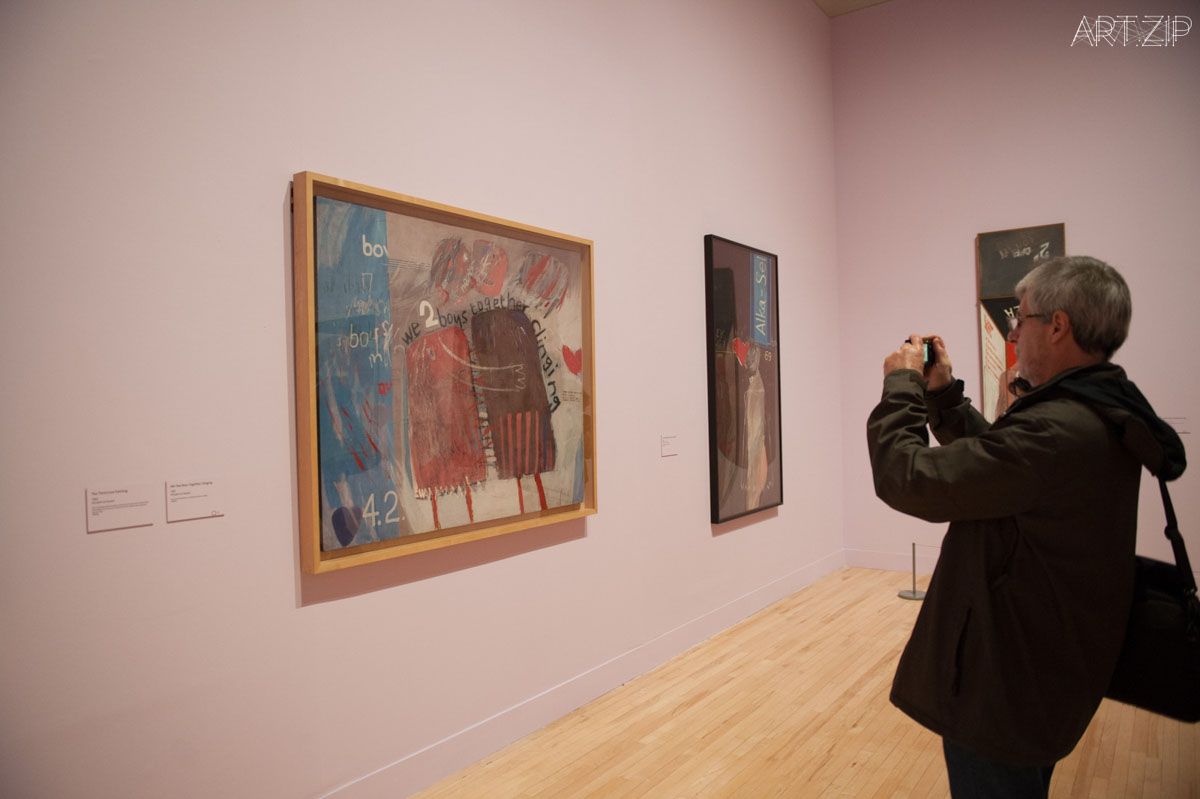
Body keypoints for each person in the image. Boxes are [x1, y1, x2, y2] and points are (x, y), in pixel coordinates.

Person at [866, 256, 1186, 798]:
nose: (1013, 332)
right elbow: (1003, 469)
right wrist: (944, 396)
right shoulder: (1095, 409)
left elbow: (908, 477)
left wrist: (902, 385)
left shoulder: (1058, 431)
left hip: (1003, 692)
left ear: (1057, 325)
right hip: (1043, 671)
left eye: (1021, 316)